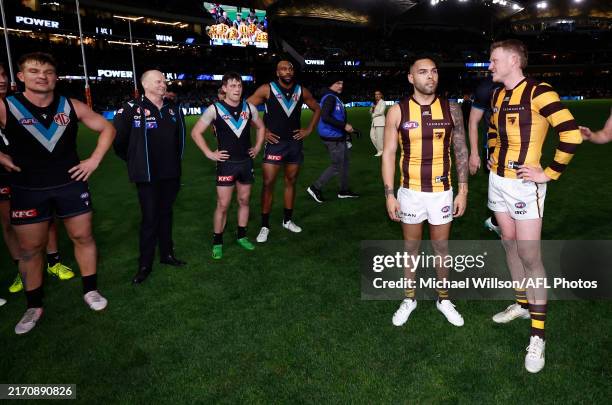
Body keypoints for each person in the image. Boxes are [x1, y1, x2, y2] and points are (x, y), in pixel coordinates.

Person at [0, 52, 115, 334]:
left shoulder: (71, 105)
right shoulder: (6, 106)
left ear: (56, 77)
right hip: (27, 189)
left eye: (49, 71)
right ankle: (33, 305)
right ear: (21, 76)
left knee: (82, 236)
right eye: (35, 70)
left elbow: (107, 127)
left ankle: (90, 290)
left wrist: (95, 159)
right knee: (30, 250)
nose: (43, 76)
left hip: (70, 185)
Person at [486, 39, 582, 373]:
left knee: (530, 256)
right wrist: (491, 156)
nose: (490, 65)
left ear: (514, 60)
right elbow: (494, 132)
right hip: (497, 182)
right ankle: (521, 304)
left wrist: (549, 173)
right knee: (508, 244)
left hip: (526, 187)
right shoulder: (498, 95)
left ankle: (538, 336)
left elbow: (571, 134)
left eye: (494, 60)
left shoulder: (540, 92)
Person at [382, 56, 469, 329]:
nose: (430, 76)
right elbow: (388, 154)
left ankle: (444, 298)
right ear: (411, 78)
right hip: (410, 192)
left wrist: (463, 190)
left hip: (442, 192)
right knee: (411, 248)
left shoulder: (452, 109)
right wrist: (389, 194)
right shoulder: (397, 111)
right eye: (422, 72)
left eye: (433, 72)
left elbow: (461, 150)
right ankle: (410, 298)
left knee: (442, 248)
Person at [0, 63, 75, 295]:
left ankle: (53, 262)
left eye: (3, 74)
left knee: (47, 217)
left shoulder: (20, 103)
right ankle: (22, 270)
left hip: (31, 173)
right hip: (4, 173)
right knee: (9, 223)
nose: (1, 79)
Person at [114, 70, 186, 284]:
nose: (164, 84)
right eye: (159, 81)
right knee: (150, 218)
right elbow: (118, 142)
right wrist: (135, 160)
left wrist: (175, 164)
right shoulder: (130, 109)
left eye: (165, 80)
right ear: (145, 84)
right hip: (146, 175)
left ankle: (167, 254)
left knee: (166, 214)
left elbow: (179, 141)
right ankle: (145, 264)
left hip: (170, 173)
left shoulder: (174, 109)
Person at [191, 72, 265, 259]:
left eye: (239, 86)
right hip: (226, 165)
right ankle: (217, 241)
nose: (236, 89)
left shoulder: (249, 108)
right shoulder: (214, 109)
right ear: (224, 88)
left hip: (245, 162)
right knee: (223, 205)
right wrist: (209, 153)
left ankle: (242, 236)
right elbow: (195, 132)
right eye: (232, 86)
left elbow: (261, 127)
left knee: (244, 201)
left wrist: (257, 147)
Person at [247, 60, 321, 243]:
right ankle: (265, 226)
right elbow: (246, 108)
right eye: (283, 69)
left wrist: (309, 129)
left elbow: (317, 108)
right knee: (268, 184)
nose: (287, 71)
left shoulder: (301, 90)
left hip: (294, 144)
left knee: (291, 182)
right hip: (275, 144)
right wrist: (262, 131)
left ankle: (287, 220)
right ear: (277, 72)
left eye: (290, 68)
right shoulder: (267, 89)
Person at [306, 77, 358, 203]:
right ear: (331, 84)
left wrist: (348, 131)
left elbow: (337, 116)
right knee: (337, 165)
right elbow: (325, 117)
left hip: (337, 135)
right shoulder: (330, 97)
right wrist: (344, 126)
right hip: (332, 137)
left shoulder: (333, 97)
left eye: (342, 83)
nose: (341, 85)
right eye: (338, 83)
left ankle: (344, 191)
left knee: (344, 164)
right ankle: (315, 187)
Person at [468, 76, 504, 237]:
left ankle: (500, 222)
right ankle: (499, 223)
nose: (490, 66)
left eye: (495, 61)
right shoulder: (485, 88)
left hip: (522, 148)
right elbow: (473, 121)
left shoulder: (524, 84)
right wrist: (474, 154)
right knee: (501, 186)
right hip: (494, 145)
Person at [369, 90, 386, 157]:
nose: (377, 95)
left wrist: (374, 114)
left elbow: (381, 112)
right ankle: (380, 149)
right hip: (374, 122)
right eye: (376, 94)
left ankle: (381, 151)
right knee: (372, 136)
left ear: (381, 95)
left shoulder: (383, 102)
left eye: (378, 94)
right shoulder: (374, 103)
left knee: (379, 138)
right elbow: (370, 112)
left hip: (380, 122)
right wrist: (372, 107)